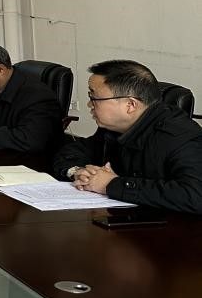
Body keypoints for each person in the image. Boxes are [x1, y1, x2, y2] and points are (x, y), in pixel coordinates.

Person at [52, 60, 202, 213]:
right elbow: (73, 151)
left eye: (94, 98)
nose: (89, 105)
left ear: (130, 105)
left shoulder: (179, 136)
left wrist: (111, 185)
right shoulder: (115, 127)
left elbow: (195, 195)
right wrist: (78, 171)